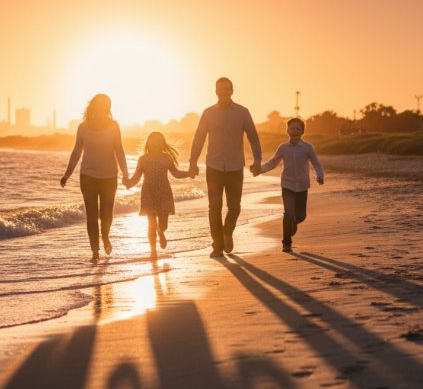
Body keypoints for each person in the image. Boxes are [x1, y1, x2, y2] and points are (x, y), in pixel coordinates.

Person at [188, 77, 262, 257]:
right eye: (221, 89)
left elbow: (253, 136)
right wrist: (192, 162)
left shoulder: (243, 112)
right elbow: (199, 138)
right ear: (215, 91)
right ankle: (217, 245)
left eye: (227, 89)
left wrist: (257, 160)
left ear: (232, 90)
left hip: (236, 167)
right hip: (213, 167)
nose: (224, 92)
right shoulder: (208, 113)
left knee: (234, 207)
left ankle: (227, 232)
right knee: (214, 208)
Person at [61, 94, 129, 262]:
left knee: (106, 213)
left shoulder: (113, 126)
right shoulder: (83, 127)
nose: (104, 108)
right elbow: (77, 151)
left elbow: (119, 150)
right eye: (101, 105)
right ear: (94, 106)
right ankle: (95, 250)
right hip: (88, 176)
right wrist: (67, 174)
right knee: (91, 215)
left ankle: (105, 236)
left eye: (107, 105)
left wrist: (125, 174)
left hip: (109, 176)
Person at [258, 118, 325, 252]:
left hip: (302, 185)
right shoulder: (283, 148)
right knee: (288, 213)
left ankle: (293, 224)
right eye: (292, 128)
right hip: (287, 185)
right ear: (287, 131)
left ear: (302, 132)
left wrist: (320, 175)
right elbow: (273, 163)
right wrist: (259, 170)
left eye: (298, 129)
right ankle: (286, 242)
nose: (295, 131)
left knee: (301, 216)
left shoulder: (307, 147)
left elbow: (316, 163)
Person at [124, 131, 188, 260]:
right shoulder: (143, 159)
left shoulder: (166, 158)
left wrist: (189, 173)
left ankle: (161, 232)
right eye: (153, 141)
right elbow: (136, 177)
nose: (155, 144)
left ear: (163, 144)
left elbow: (176, 173)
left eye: (158, 141)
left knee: (163, 224)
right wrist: (129, 183)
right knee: (151, 223)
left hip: (164, 193)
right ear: (148, 143)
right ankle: (153, 251)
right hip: (149, 193)